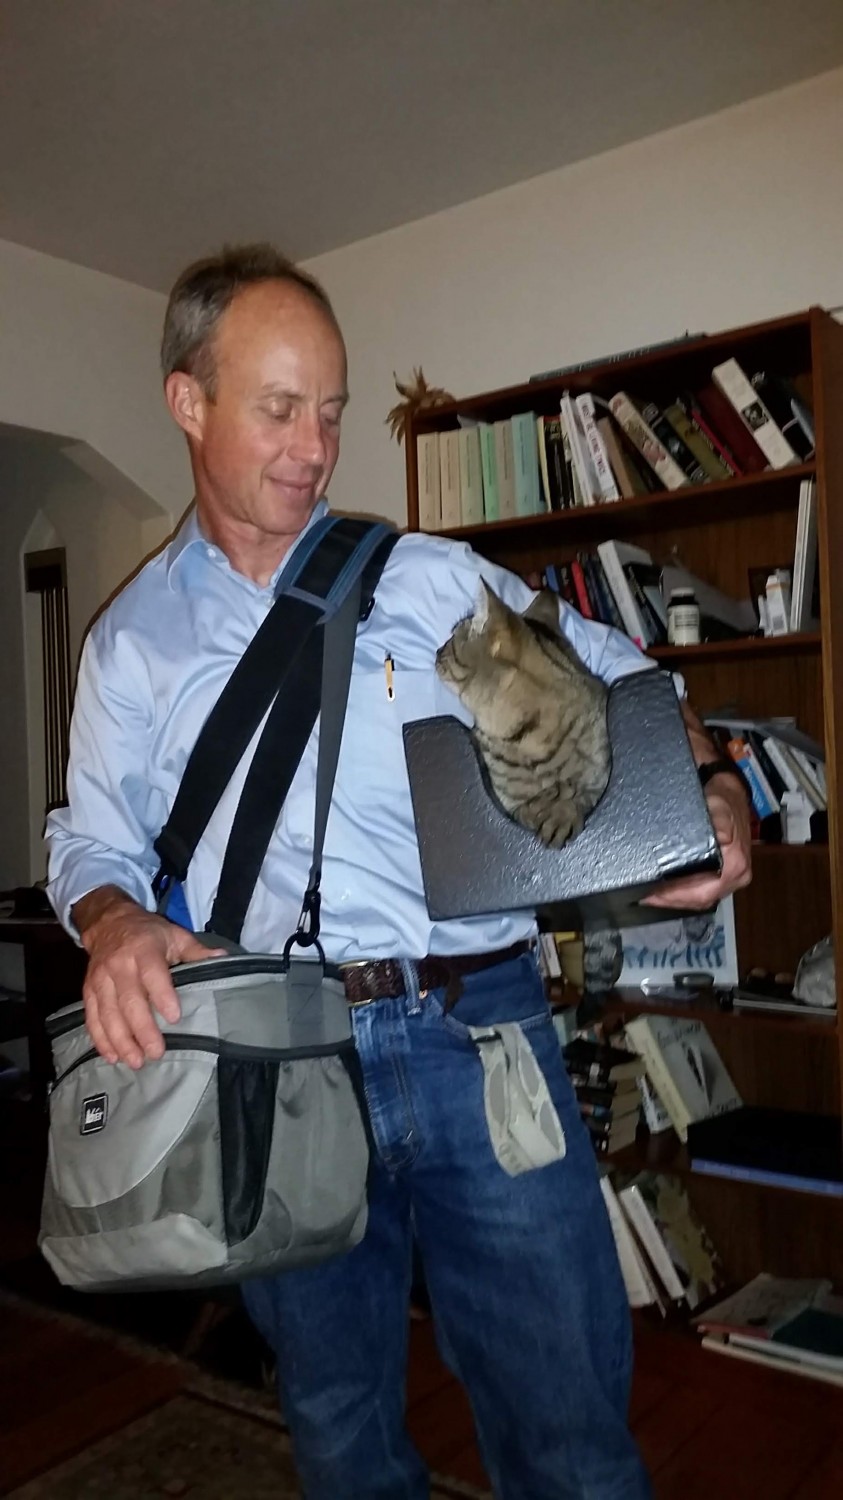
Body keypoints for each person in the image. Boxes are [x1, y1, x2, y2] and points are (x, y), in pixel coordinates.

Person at [46, 244, 751, 1500]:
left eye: (329, 408)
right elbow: (90, 843)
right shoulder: (129, 646)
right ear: (187, 400)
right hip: (280, 1055)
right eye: (278, 408)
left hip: (483, 1034)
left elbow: (623, 671)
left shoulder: (425, 581)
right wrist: (110, 922)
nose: (316, 446)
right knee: (337, 1427)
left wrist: (711, 782)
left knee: (570, 1431)